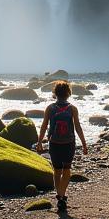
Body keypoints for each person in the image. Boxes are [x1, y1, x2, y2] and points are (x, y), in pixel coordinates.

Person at [36, 80, 88, 211]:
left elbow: (44, 126)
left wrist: (40, 142)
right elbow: (78, 127)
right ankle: (62, 195)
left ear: (55, 93)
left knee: (57, 170)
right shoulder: (72, 108)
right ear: (68, 93)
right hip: (69, 143)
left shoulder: (50, 108)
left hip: (54, 143)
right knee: (67, 169)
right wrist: (84, 143)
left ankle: (59, 196)